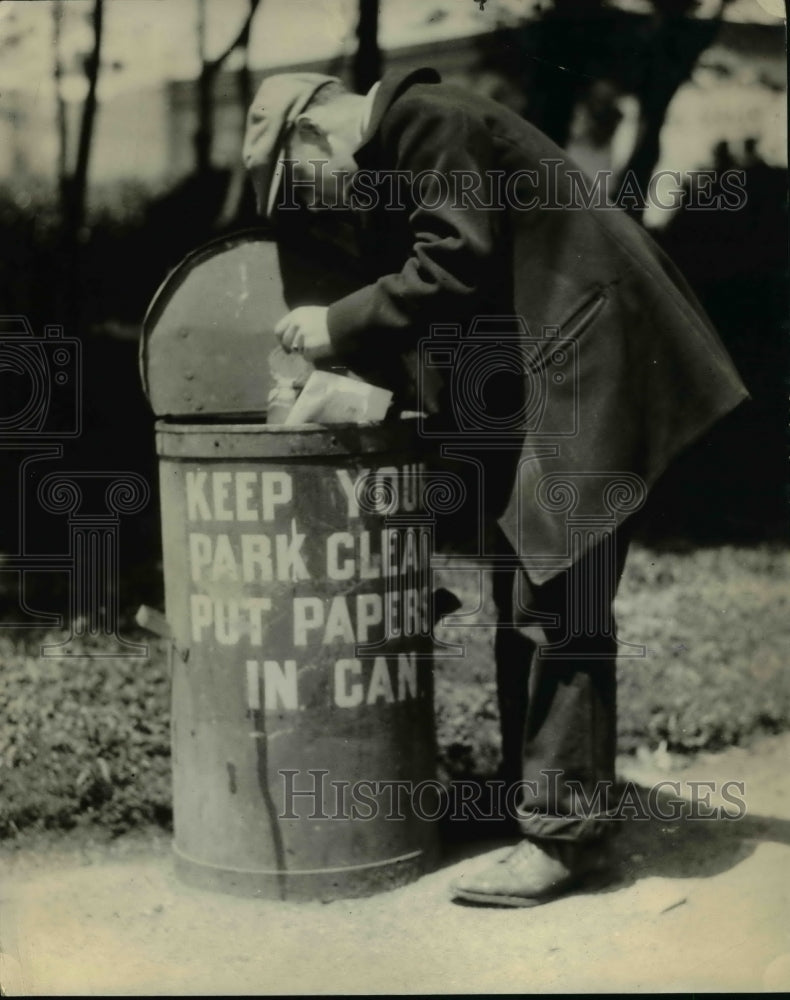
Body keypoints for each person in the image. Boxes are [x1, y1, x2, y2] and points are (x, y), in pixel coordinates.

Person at [242, 68, 749, 906]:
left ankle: (561, 836)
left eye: (297, 178)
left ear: (315, 130)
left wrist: (334, 326)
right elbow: (460, 291)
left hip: (597, 357)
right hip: (568, 358)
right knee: (528, 585)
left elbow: (451, 265)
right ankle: (543, 807)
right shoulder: (421, 134)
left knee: (560, 595)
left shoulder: (425, 122)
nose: (311, 196)